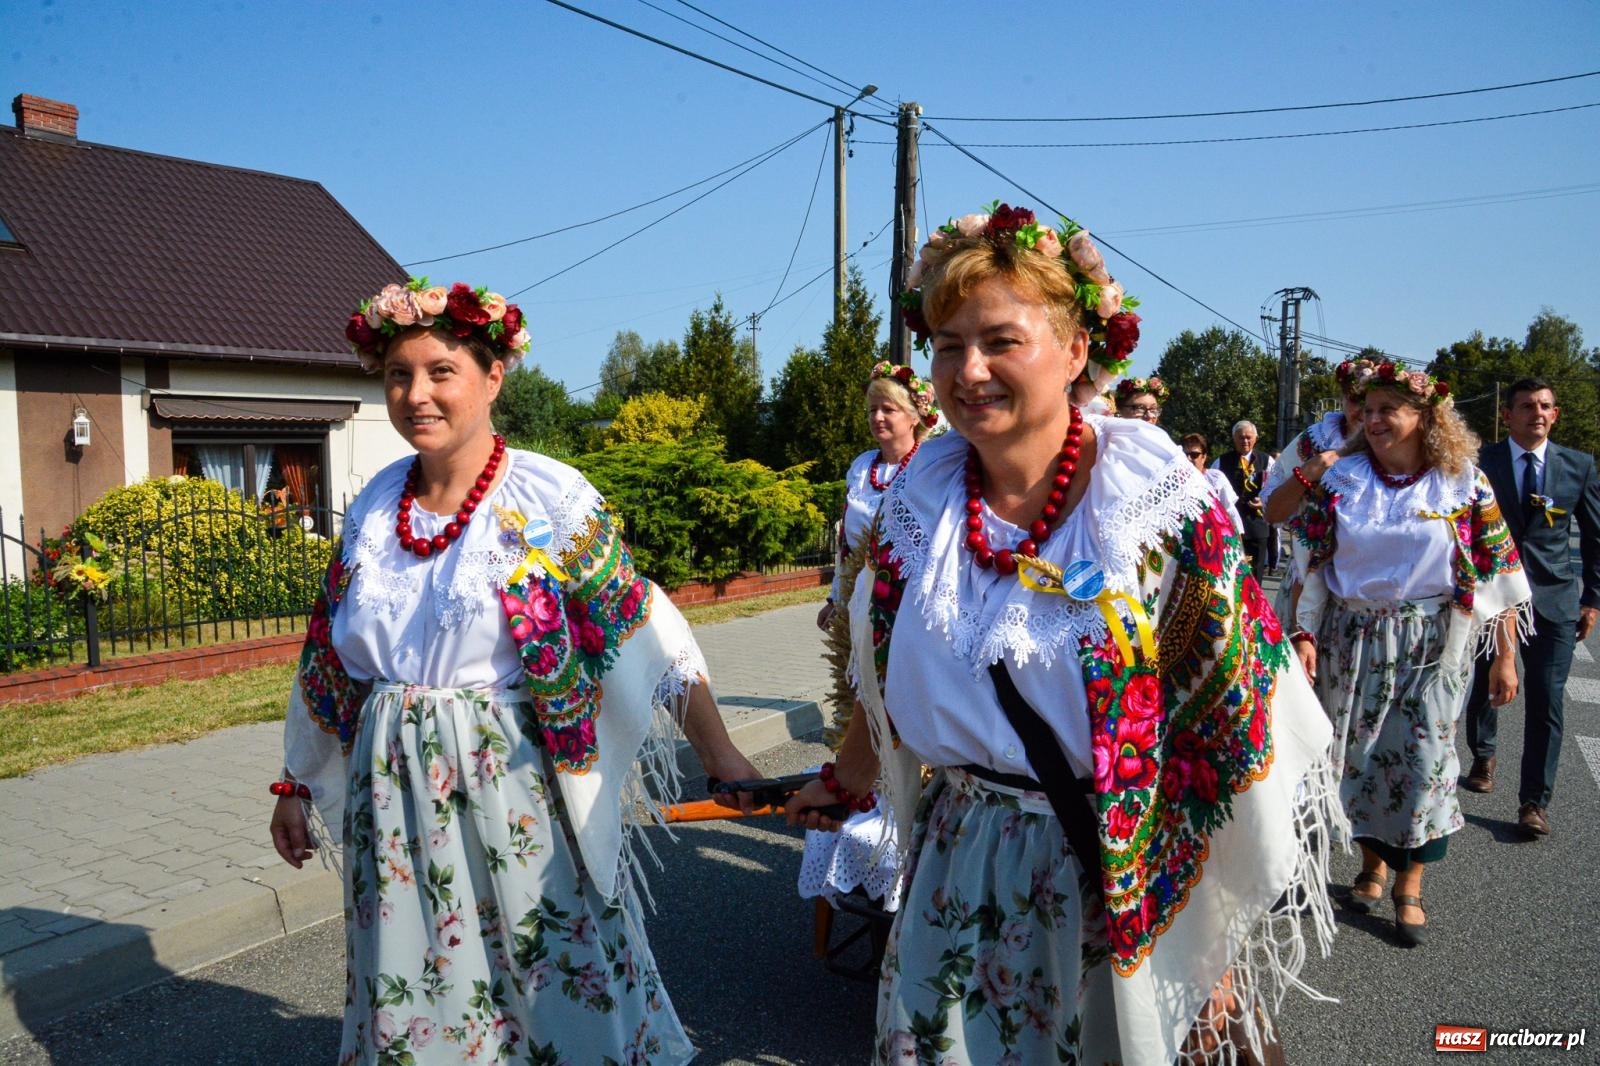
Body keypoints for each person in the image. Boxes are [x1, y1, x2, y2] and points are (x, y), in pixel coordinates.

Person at [789, 201, 1340, 1065]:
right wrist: (847, 777)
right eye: (946, 345)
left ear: (1078, 350)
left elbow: (1225, 721)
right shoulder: (915, 507)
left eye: (1001, 340)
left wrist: (1211, 940)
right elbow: (885, 675)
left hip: (1119, 871)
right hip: (956, 855)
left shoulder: (1156, 511)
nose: (968, 370)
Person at [269, 278, 760, 1064]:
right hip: (392, 794)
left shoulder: (547, 497)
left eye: (440, 372)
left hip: (518, 786)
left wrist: (721, 755)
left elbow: (641, 628)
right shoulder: (371, 509)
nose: (416, 395)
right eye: (399, 375)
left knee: (553, 974)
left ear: (493, 377)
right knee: (419, 982)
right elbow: (328, 657)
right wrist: (297, 780)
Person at [1292, 360, 1530, 947]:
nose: (1372, 421)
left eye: (1386, 411)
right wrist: (1302, 634)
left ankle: (1410, 883)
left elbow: (1497, 572)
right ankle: (1371, 866)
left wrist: (1504, 657)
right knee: (1361, 760)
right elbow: (1312, 565)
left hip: (1430, 645)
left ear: (1424, 417)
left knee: (1423, 763)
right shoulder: (1341, 480)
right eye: (1366, 411)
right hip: (1351, 638)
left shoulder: (1463, 482)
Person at [802, 361, 937, 919]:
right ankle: (862, 794)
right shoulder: (861, 468)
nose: (878, 418)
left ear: (916, 418)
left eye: (889, 409)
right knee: (854, 698)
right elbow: (843, 541)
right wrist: (835, 596)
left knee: (899, 700)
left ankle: (911, 804)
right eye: (872, 410)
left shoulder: (930, 464)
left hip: (905, 599)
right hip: (859, 594)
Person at [1460, 378, 1600, 837]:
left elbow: (1595, 538)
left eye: (1544, 407)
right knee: (1484, 683)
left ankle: (1534, 801)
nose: (1536, 413)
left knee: (1546, 699)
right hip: (1492, 597)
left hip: (1553, 600)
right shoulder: (1482, 463)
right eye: (1526, 406)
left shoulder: (1578, 466)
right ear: (1508, 415)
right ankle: (1484, 754)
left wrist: (1591, 600)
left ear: (1555, 414)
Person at [1213, 421, 1271, 574]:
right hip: (1231, 526)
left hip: (1258, 525)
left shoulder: (1266, 460)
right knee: (1232, 571)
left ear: (1256, 438)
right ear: (1234, 439)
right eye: (1241, 437)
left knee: (1256, 573)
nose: (1245, 441)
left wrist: (1264, 501)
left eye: (1248, 437)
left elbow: (1278, 487)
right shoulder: (1221, 462)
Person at [1182, 432, 1239, 531]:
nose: (1189, 458)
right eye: (1185, 454)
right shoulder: (1176, 481)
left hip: (1216, 534)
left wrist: (1238, 536)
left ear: (1203, 457)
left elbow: (1229, 509)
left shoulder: (1216, 478)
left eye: (1194, 454)